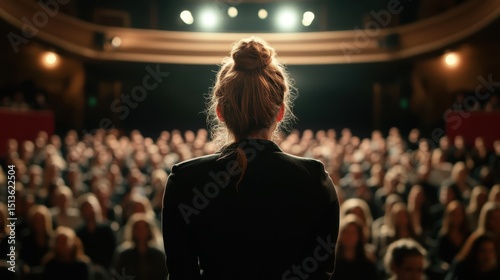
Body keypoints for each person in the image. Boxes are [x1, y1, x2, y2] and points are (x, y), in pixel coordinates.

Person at [162, 36, 340, 280]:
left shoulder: (184, 180)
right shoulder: (314, 180)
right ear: (280, 113)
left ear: (220, 112)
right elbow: (319, 273)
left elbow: (182, 274)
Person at [112, 213, 167, 280]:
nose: (141, 231)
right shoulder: (125, 255)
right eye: (137, 228)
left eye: (144, 228)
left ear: (149, 230)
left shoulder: (158, 254)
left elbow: (163, 276)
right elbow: (118, 276)